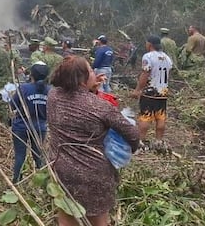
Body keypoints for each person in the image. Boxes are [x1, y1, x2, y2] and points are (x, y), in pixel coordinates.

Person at [47, 56, 140, 226]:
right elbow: (133, 134)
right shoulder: (100, 106)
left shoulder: (53, 96)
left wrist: (91, 88)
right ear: (82, 79)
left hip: (61, 169)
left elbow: (75, 101)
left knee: (67, 216)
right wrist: (128, 150)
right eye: (90, 70)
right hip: (94, 174)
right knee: (98, 220)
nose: (94, 73)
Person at [131, 35, 173, 149]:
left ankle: (140, 141)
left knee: (145, 116)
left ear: (150, 44)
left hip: (150, 92)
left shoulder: (148, 56)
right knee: (161, 116)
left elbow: (145, 73)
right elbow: (167, 76)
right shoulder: (167, 58)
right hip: (163, 92)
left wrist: (138, 89)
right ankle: (158, 141)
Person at [9, 62, 49, 183]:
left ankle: (16, 181)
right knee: (38, 155)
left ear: (31, 75)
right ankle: (44, 183)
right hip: (40, 128)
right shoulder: (50, 91)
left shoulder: (23, 88)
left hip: (21, 126)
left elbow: (12, 105)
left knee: (20, 155)